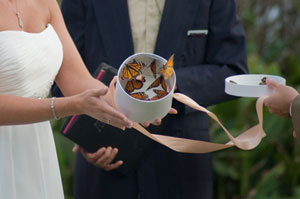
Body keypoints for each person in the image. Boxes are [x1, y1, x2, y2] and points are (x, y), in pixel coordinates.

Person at [58, 0, 248, 198]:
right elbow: (59, 70)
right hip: (104, 161)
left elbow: (232, 70)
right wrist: (86, 138)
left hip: (181, 164)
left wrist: (165, 86)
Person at [0, 0, 134, 198]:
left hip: (34, 148)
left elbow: (77, 79)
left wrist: (135, 105)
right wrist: (69, 106)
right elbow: (76, 100)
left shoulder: (45, 3)